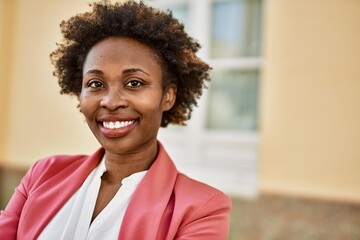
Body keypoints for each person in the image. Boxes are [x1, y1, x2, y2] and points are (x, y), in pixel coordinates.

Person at [0, 1, 232, 239]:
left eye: (134, 83)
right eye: (96, 84)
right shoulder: (43, 175)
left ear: (168, 96)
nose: (111, 102)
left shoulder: (201, 209)